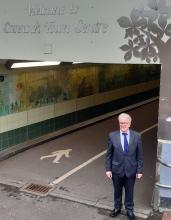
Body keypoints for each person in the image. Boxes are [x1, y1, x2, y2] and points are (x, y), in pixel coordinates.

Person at [105, 113, 143, 220]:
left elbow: (139, 155)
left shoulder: (137, 136)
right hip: (116, 169)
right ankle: (117, 208)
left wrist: (139, 170)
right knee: (117, 191)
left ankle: (129, 209)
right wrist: (108, 169)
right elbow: (109, 154)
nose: (123, 125)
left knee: (129, 191)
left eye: (125, 123)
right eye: (121, 123)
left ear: (130, 123)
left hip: (131, 170)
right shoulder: (112, 135)